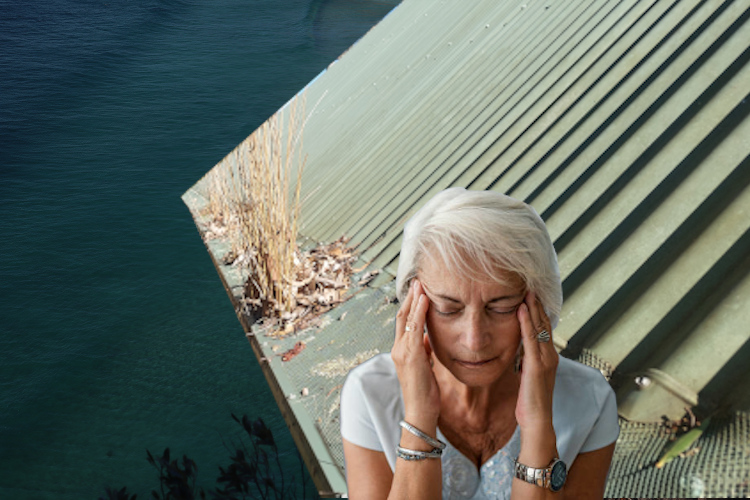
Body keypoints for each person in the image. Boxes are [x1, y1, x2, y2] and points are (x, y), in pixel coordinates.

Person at [340, 188, 619, 499]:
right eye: (448, 308)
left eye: (501, 308)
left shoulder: (590, 401)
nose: (474, 340)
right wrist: (419, 416)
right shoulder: (370, 393)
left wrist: (539, 423)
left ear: (540, 306)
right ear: (412, 307)